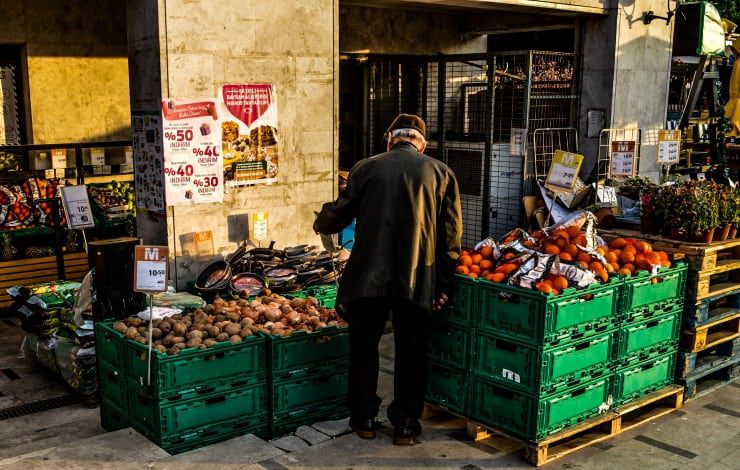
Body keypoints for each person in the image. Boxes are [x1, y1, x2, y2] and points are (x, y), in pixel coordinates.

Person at [314, 113, 462, 445]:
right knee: (411, 351)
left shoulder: (366, 167)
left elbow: (338, 214)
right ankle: (406, 425)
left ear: (390, 138)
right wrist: (444, 284)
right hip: (416, 279)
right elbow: (451, 240)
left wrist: (321, 222)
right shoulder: (442, 174)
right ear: (421, 143)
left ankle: (363, 417)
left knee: (364, 347)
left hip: (368, 277)